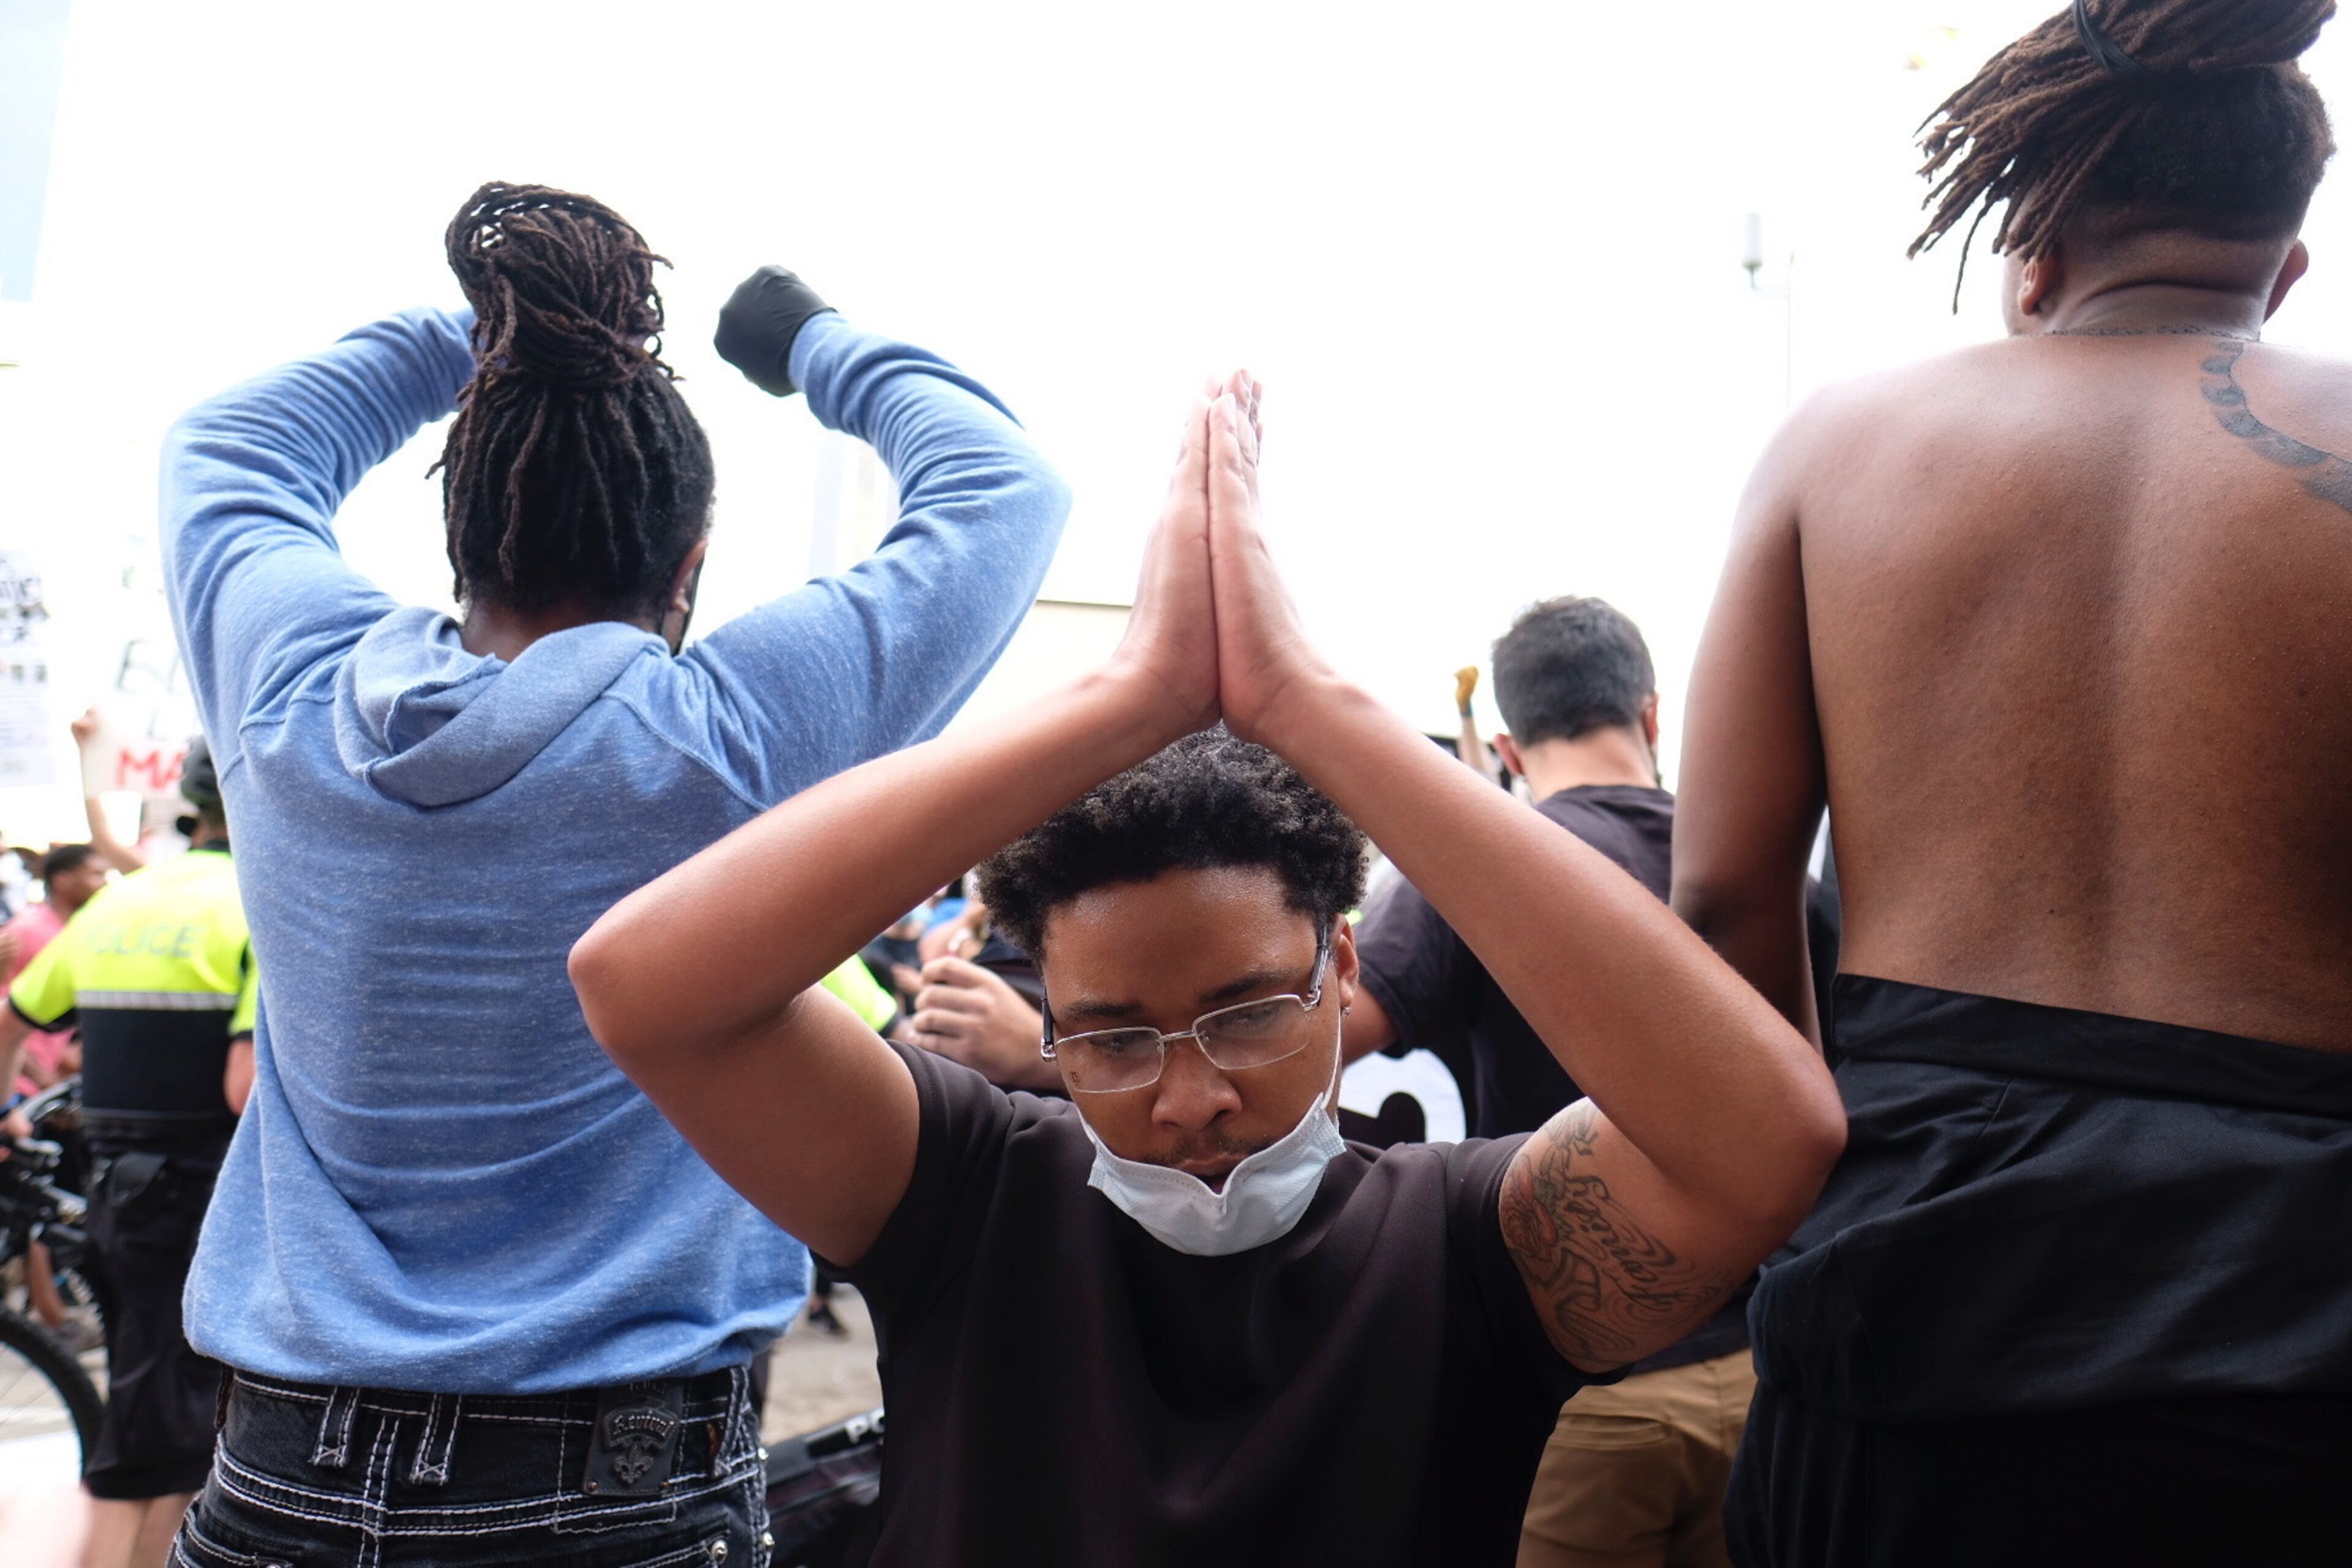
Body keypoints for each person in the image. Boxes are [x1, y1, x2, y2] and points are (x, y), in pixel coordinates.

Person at [570, 377, 1847, 1567]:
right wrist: (1133, 693)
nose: (1189, 1100)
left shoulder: (1466, 1241)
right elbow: (644, 980)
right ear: (1050, 1024)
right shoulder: (968, 1190)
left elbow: (1766, 1134)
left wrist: (1304, 701)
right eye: (1113, 1038)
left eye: (1245, 1014)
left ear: (1340, 961)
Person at [158, 184, 1069, 1568]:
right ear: (689, 568)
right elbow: (1005, 488)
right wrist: (802, 337)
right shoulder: (732, 736)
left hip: (280, 1474)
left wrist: (486, 333)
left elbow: (231, 444)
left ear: (460, 530)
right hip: (616, 1482)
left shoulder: (290, 692)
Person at [1670, 3, 2352, 1562]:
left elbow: (1721, 898)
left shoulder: (1840, 444)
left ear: (2033, 242)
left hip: (1911, 1310)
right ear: (2290, 262)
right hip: (2299, 1333)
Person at [1344, 597, 1773, 1568]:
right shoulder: (1765, 870)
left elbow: (1321, 1039)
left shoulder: (1494, 865)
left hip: (1585, 1389)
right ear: (1652, 717)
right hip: (1764, 1375)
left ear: (1507, 743)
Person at [0, 743, 255, 1568]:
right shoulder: (265, 905)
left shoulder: (119, 903)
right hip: (204, 1202)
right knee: (169, 1441)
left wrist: (6, 1111)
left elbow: (13, 1018)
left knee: (147, 1416)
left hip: (114, 1197)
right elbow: (244, 1088)